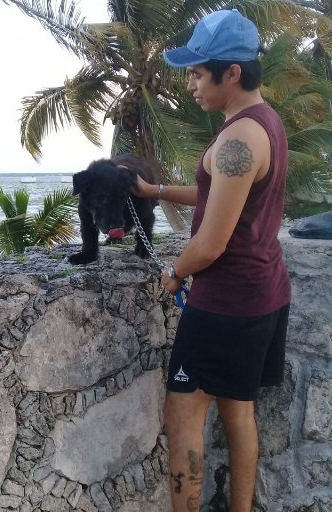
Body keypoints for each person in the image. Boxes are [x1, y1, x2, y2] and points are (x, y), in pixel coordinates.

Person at [132, 9, 291, 512]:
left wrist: (175, 271)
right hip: (264, 292)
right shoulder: (265, 123)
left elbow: (211, 241)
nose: (191, 84)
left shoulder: (238, 139)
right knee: (238, 412)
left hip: (227, 304)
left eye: (199, 73)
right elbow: (218, 195)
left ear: (234, 72)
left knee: (184, 414)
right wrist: (155, 190)